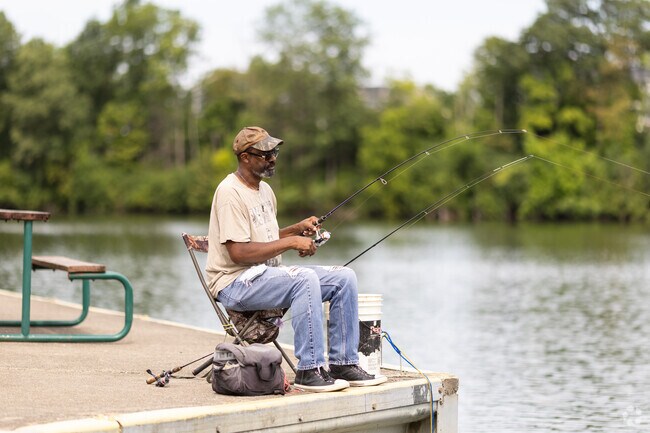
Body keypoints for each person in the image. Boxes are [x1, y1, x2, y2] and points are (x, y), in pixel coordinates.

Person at [206, 126, 387, 392]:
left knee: (343, 278)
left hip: (266, 277)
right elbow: (239, 252)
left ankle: (343, 364)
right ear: (245, 157)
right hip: (234, 283)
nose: (273, 158)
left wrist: (294, 230)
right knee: (304, 279)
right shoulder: (229, 193)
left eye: (275, 152)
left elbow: (264, 238)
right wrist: (291, 243)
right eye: (265, 153)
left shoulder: (265, 191)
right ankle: (309, 369)